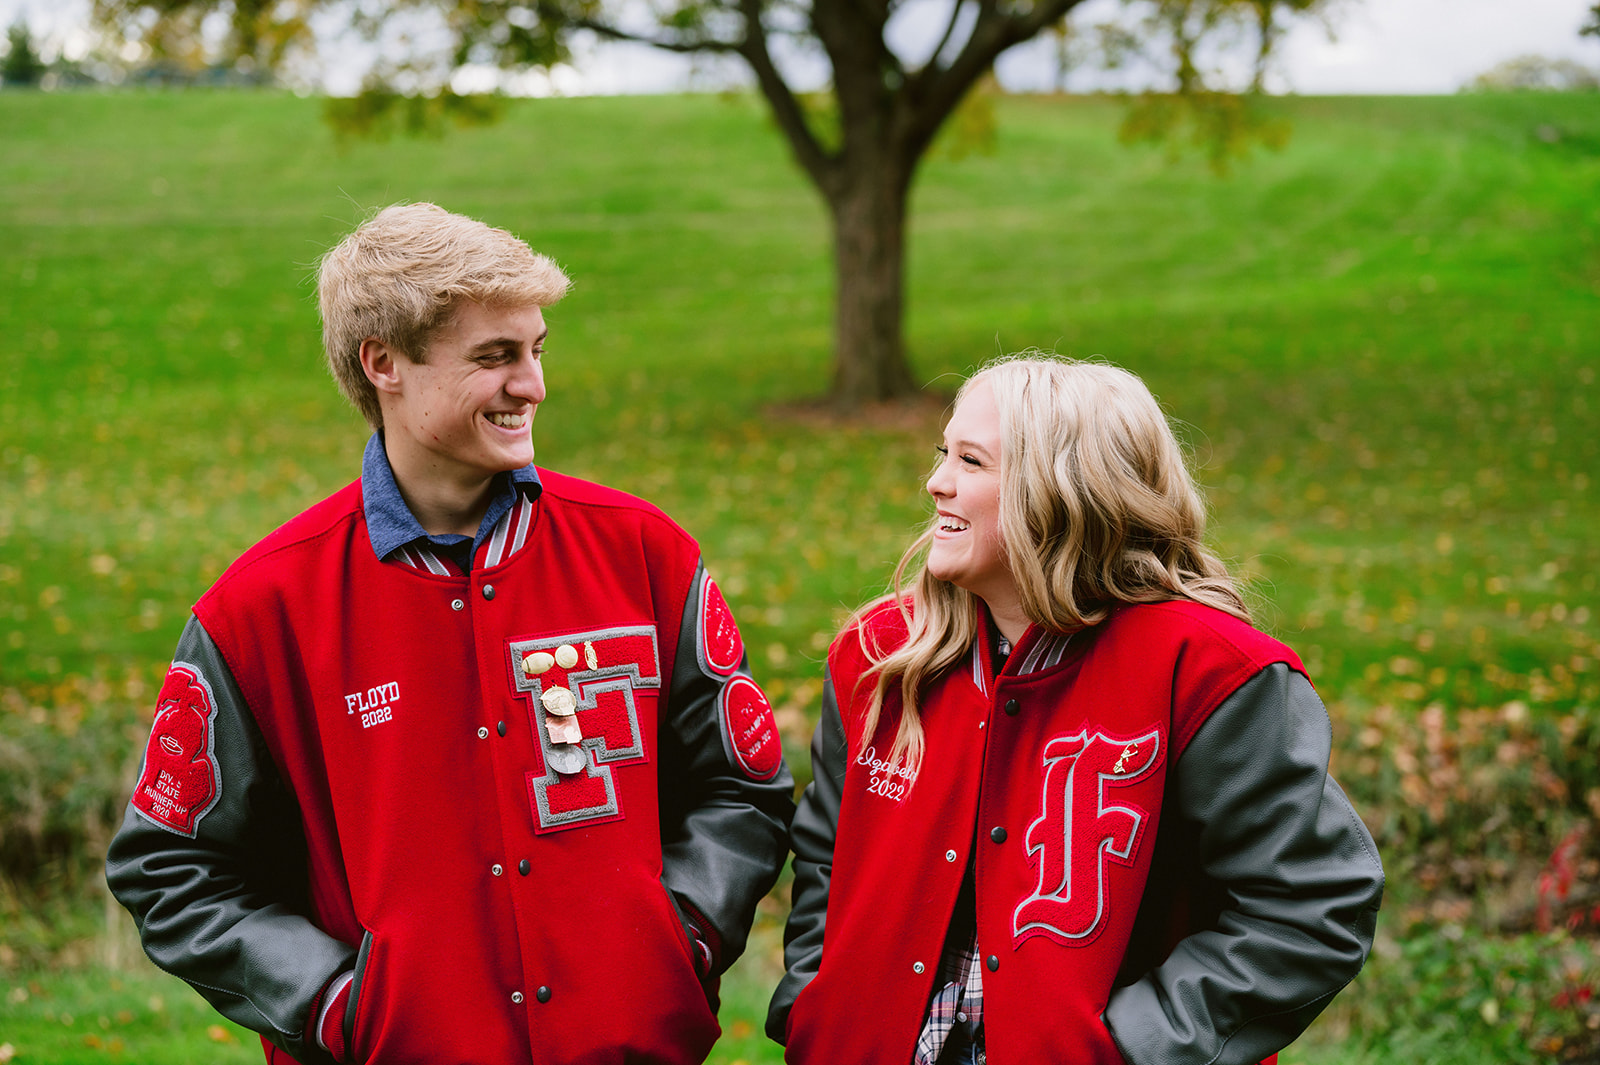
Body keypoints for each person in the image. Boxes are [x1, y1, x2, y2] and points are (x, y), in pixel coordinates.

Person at [106, 203, 794, 1065]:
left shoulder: (644, 554)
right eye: (495, 357)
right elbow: (170, 866)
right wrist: (336, 1005)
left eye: (537, 349)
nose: (533, 385)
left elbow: (745, 784)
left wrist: (678, 941)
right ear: (384, 363)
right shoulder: (261, 609)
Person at [768, 355, 1384, 1065]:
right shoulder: (878, 658)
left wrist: (1133, 1049)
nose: (935, 481)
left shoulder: (1211, 674)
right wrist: (815, 1006)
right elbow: (825, 856)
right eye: (944, 454)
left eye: (971, 460)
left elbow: (1310, 905)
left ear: (1060, 491)